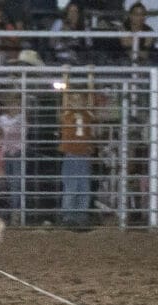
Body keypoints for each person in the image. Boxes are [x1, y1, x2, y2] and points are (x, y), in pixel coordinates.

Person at [58, 91, 95, 228]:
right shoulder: (67, 114)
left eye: (81, 99)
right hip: (71, 154)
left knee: (84, 186)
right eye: (75, 99)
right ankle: (68, 216)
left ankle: (81, 215)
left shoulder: (87, 115)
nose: (78, 102)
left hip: (84, 155)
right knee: (71, 185)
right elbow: (64, 101)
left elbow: (91, 96)